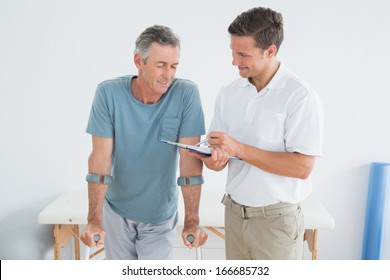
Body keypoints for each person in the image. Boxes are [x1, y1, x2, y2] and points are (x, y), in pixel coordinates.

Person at [189, 7, 323, 260]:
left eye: (243, 54)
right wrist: (214, 160)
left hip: (276, 222)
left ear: (270, 51)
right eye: (232, 52)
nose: (234, 61)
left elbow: (302, 167)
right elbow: (219, 155)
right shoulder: (229, 93)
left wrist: (238, 149)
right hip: (234, 214)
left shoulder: (300, 97)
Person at [80, 25, 208, 260]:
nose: (168, 75)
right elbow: (100, 159)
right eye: (160, 65)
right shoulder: (108, 93)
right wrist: (94, 220)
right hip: (116, 210)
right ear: (139, 61)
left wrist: (192, 221)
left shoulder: (186, 94)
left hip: (160, 214)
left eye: (173, 66)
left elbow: (189, 162)